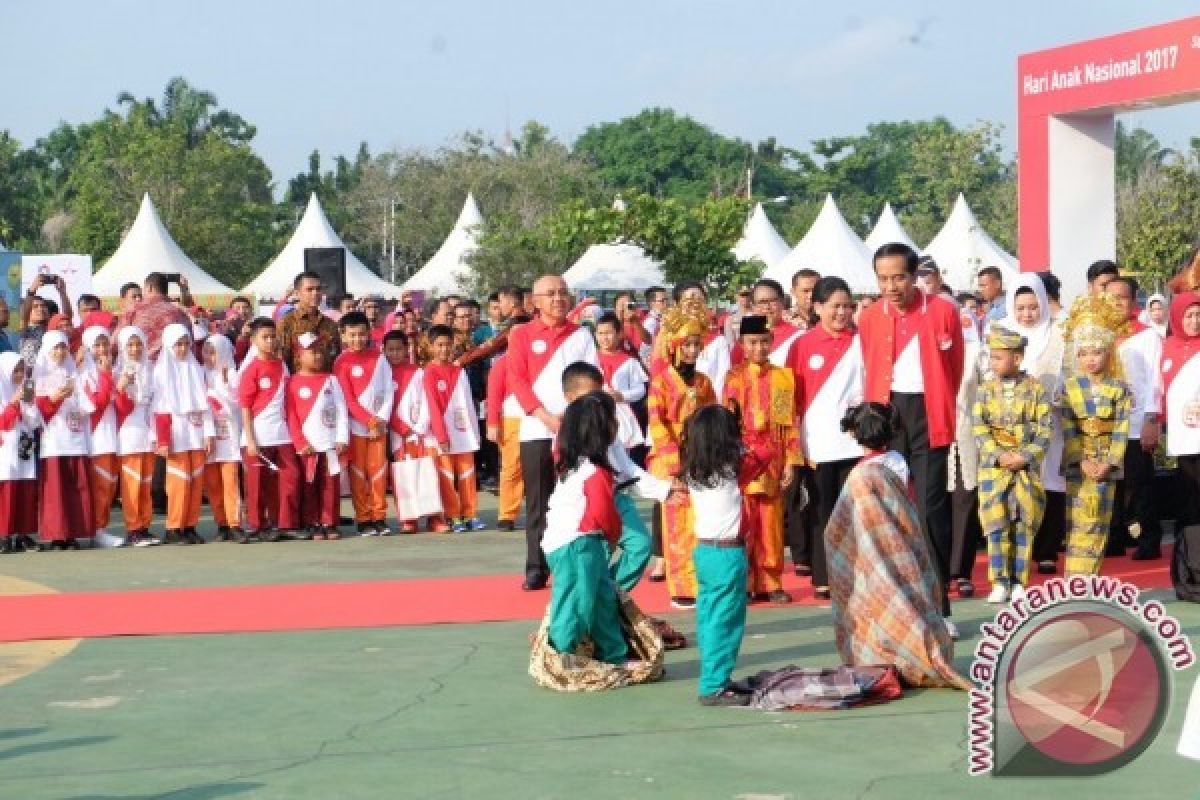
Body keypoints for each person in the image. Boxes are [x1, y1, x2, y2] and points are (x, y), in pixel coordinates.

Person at [824, 403, 970, 689]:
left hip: (873, 548)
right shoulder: (896, 461)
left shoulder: (862, 475)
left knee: (877, 597)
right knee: (911, 593)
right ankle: (913, 653)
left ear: (854, 434)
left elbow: (844, 523)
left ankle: (888, 656)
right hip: (904, 540)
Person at [859, 242, 964, 637]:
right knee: (888, 511)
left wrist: (943, 411)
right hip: (888, 418)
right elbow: (870, 366)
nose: (891, 286)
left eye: (898, 277)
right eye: (883, 278)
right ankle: (895, 606)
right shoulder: (869, 317)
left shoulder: (942, 312)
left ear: (914, 275)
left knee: (930, 509)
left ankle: (940, 608)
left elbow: (954, 369)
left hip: (930, 415)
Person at [507, 275, 599, 591]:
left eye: (563, 293)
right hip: (536, 429)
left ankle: (572, 564)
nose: (558, 298)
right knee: (539, 503)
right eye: (551, 294)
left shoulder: (582, 336)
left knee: (575, 498)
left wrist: (572, 415)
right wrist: (545, 416)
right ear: (535, 300)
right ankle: (536, 567)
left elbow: (591, 379)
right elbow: (516, 381)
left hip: (574, 430)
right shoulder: (520, 335)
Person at [682, 405, 773, 706]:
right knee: (726, 620)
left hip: (705, 551)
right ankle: (714, 684)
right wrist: (744, 434)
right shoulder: (732, 470)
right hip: (727, 554)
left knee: (709, 617)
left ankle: (714, 677)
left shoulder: (694, 469)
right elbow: (767, 451)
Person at [539, 389, 634, 670]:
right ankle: (560, 659)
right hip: (578, 544)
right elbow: (603, 512)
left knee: (602, 598)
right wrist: (615, 536)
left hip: (573, 542)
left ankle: (614, 655)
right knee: (576, 603)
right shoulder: (595, 470)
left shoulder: (572, 465)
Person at [561, 362, 674, 599]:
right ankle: (594, 603)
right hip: (584, 505)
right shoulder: (564, 433)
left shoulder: (606, 428)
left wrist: (666, 490)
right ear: (570, 398)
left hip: (615, 497)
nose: (597, 401)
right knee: (593, 560)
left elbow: (627, 469)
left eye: (599, 394)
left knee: (641, 545)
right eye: (589, 396)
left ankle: (608, 597)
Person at [786, 277, 864, 600]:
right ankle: (824, 576)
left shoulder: (861, 340)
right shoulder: (802, 345)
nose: (842, 313)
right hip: (817, 444)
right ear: (817, 307)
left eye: (848, 306)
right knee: (821, 512)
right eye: (835, 307)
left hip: (855, 444)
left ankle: (856, 574)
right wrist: (795, 445)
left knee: (854, 513)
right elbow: (792, 399)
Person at [723, 315, 802, 604]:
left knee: (771, 524)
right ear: (742, 344)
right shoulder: (734, 377)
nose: (759, 348)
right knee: (744, 522)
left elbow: (789, 422)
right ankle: (744, 582)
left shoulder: (782, 377)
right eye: (752, 342)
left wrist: (791, 461)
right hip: (743, 459)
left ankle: (770, 581)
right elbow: (728, 423)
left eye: (764, 342)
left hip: (773, 459)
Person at [972, 326, 1052, 604]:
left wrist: (1025, 457)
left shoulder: (1036, 390)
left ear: (1017, 359)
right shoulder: (985, 390)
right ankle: (999, 581)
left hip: (1025, 469)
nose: (992, 363)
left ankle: (1020, 581)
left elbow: (1045, 430)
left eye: (998, 357)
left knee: (1023, 525)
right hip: (994, 469)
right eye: (991, 357)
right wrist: (997, 455)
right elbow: (979, 427)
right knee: (996, 526)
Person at [647, 300, 717, 608]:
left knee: (700, 522)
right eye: (686, 343)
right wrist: (674, 459)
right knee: (676, 524)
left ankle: (700, 579)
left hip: (700, 457)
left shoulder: (704, 382)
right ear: (674, 345)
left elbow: (714, 417)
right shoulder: (661, 382)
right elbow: (656, 422)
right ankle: (681, 586)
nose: (691, 349)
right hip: (671, 460)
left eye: (696, 344)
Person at [1059, 294, 1132, 577]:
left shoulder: (1120, 389)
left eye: (1096, 352)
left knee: (1098, 521)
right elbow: (1068, 429)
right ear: (1077, 355)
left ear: (1108, 353)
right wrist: (1080, 461)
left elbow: (1121, 430)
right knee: (1076, 522)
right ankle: (1072, 581)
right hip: (1079, 465)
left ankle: (1089, 581)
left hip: (1104, 465)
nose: (1090, 359)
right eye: (1084, 353)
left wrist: (1109, 463)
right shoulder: (1069, 388)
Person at [1003, 275, 1068, 578]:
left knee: (1050, 483)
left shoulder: (1059, 334)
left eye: (1032, 307)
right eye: (1021, 308)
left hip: (1050, 422)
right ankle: (1017, 548)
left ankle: (1046, 551)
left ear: (1043, 304)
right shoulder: (1000, 332)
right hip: (1011, 425)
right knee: (1016, 485)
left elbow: (1069, 372)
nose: (1027, 314)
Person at [1105, 276, 1164, 561]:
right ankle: (1114, 538)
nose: (1116, 302)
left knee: (1139, 484)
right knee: (1110, 484)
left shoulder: (1147, 335)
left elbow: (1156, 379)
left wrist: (1152, 419)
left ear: (1133, 299)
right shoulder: (1098, 334)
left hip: (1137, 421)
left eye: (1122, 297)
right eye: (1111, 296)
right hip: (1106, 424)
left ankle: (1148, 539)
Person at [238, 317, 301, 542]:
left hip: (282, 434)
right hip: (257, 435)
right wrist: (251, 440)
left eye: (273, 336)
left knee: (289, 478)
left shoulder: (282, 365)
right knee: (256, 483)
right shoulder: (250, 369)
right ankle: (256, 525)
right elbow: (245, 407)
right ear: (254, 340)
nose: (270, 341)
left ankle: (284, 523)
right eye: (264, 337)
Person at [333, 311, 394, 536]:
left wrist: (382, 418)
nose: (357, 339)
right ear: (343, 336)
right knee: (358, 474)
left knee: (378, 472)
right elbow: (346, 399)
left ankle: (379, 515)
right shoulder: (341, 362)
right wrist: (368, 420)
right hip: (356, 428)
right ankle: (363, 518)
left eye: (361, 334)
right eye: (352, 335)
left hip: (379, 427)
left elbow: (388, 390)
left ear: (368, 333)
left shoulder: (379, 358)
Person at [153, 324, 214, 545]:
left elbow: (205, 404)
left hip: (196, 432)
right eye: (178, 344)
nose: (182, 348)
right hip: (176, 433)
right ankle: (173, 527)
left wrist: (209, 433)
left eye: (186, 343)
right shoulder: (161, 371)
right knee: (178, 483)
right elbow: (159, 409)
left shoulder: (195, 368)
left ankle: (190, 525)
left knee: (196, 482)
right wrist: (162, 439)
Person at [33, 330, 93, 549]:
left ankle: (74, 533)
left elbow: (85, 403)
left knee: (75, 487)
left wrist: (79, 410)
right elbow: (34, 411)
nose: (59, 352)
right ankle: (58, 535)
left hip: (74, 438)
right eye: (55, 348)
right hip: (53, 441)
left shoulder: (72, 373)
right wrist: (56, 398)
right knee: (56, 491)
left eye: (63, 347)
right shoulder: (38, 376)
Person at [287, 332, 348, 540]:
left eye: (320, 352)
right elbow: (291, 416)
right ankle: (312, 522)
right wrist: (300, 442)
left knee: (331, 485)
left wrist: (342, 437)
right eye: (312, 352)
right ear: (299, 356)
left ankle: (330, 522)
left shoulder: (332, 380)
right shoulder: (292, 382)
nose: (318, 356)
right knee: (310, 486)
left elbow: (341, 409)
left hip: (330, 444)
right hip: (309, 447)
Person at [422, 324, 483, 532]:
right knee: (447, 476)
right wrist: (441, 435)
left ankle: (470, 513)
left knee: (467, 474)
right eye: (439, 345)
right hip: (442, 436)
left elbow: (467, 404)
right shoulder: (428, 373)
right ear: (430, 346)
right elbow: (432, 406)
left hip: (463, 433)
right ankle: (453, 515)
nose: (444, 350)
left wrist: (474, 432)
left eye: (448, 345)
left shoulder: (459, 371)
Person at [1160, 292, 1200, 600]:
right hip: (1184, 441)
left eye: (1199, 314)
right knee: (1189, 506)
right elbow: (1156, 392)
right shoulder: (1166, 349)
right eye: (1188, 315)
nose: (1195, 320)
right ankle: (1189, 577)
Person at [114, 327, 158, 547]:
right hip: (129, 434)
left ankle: (145, 526)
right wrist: (122, 387)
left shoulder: (151, 370)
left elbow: (156, 403)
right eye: (130, 345)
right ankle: (133, 529)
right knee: (131, 484)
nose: (134, 349)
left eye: (138, 344)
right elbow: (120, 409)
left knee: (145, 484)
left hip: (148, 434)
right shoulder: (117, 372)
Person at [384, 330, 429, 533]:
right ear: (383, 350)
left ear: (406, 349)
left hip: (419, 433)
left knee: (425, 472)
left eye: (399, 349)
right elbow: (382, 405)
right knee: (402, 476)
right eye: (390, 350)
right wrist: (400, 427)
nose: (395, 354)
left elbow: (427, 401)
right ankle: (408, 518)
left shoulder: (418, 372)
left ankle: (434, 515)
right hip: (397, 433)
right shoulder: (381, 374)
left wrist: (418, 427)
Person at [79, 326, 119, 546]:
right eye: (97, 345)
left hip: (113, 437)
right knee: (100, 488)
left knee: (110, 487)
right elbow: (96, 404)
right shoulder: (84, 375)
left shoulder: (113, 369)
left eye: (105, 344)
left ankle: (101, 528)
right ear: (88, 348)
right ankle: (97, 530)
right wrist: (106, 375)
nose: (102, 349)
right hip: (96, 439)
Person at [202, 334, 243, 541]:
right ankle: (222, 524)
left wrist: (227, 383)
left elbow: (237, 403)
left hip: (228, 437)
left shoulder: (233, 373)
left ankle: (235, 523)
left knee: (230, 481)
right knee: (213, 485)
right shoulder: (200, 374)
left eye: (213, 352)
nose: (209, 357)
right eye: (206, 352)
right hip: (209, 437)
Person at [0, 352, 41, 553]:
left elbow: (34, 422)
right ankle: (4, 535)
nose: (18, 375)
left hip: (24, 447)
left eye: (21, 370)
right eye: (15, 371)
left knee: (25, 491)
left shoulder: (24, 390)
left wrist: (30, 404)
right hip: (6, 450)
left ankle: (23, 535)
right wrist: (14, 403)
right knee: (7, 493)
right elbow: (4, 423)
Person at [594, 312, 648, 451]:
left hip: (621, 418)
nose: (604, 338)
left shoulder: (629, 361)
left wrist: (621, 396)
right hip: (594, 416)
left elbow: (640, 390)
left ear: (619, 334)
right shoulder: (590, 359)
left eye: (608, 333)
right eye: (600, 333)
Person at [669, 281, 732, 397]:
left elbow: (723, 377)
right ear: (676, 304)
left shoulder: (718, 340)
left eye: (700, 301)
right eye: (689, 302)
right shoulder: (666, 340)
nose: (695, 307)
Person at [485, 351, 523, 532]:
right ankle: (507, 515)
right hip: (512, 418)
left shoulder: (540, 356)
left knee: (541, 467)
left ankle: (543, 510)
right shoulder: (502, 363)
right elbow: (493, 393)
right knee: (511, 467)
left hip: (541, 418)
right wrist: (492, 422)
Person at [277, 272, 340, 372]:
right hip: (299, 383)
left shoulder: (331, 324)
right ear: (297, 293)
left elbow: (337, 356)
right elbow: (281, 360)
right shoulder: (286, 323)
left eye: (318, 289)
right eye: (309, 289)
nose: (315, 293)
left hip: (327, 383)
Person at [123, 273, 189, 360]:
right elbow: (189, 346)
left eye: (143, 290)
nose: (141, 296)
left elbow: (116, 342)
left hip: (140, 368)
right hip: (171, 369)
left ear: (149, 288)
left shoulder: (133, 311)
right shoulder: (180, 313)